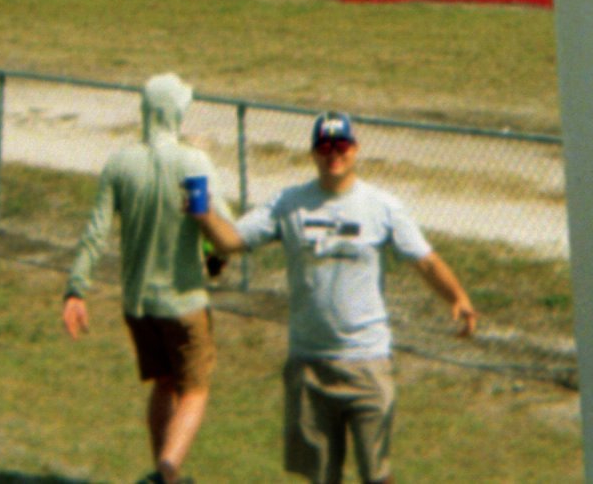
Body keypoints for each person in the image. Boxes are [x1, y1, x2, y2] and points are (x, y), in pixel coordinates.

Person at [196, 111, 477, 484]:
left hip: (367, 363)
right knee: (321, 477)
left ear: (355, 150)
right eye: (325, 147)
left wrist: (457, 297)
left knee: (377, 475)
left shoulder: (382, 206)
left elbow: (425, 262)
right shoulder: (289, 204)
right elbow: (230, 241)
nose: (334, 155)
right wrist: (201, 210)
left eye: (341, 146)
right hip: (309, 364)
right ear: (313, 153)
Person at [63, 73, 225, 484]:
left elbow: (95, 231)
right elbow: (214, 225)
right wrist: (215, 257)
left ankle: (164, 477)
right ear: (175, 113)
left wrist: (76, 289)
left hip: (138, 304)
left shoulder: (120, 163)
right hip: (183, 301)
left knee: (163, 382)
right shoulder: (192, 163)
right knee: (195, 389)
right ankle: (165, 474)